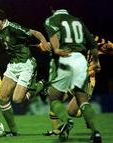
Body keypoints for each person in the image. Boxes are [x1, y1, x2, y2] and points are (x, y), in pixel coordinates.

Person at [0, 9, 50, 136]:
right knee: (2, 98)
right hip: (13, 66)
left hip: (26, 65)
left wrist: (44, 43)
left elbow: (36, 33)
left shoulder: (13, 27)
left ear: (4, 20)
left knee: (17, 99)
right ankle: (14, 131)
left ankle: (41, 85)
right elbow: (13, 43)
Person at [44, 9, 102, 142]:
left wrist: (52, 48)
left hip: (67, 63)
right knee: (82, 102)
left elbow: (55, 47)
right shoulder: (79, 24)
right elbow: (93, 44)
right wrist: (97, 62)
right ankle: (96, 132)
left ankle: (67, 122)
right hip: (81, 64)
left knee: (54, 99)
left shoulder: (54, 23)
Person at [44, 36, 113, 136]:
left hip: (86, 80)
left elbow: (108, 47)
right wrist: (46, 45)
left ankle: (87, 116)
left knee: (71, 112)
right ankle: (56, 130)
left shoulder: (94, 39)